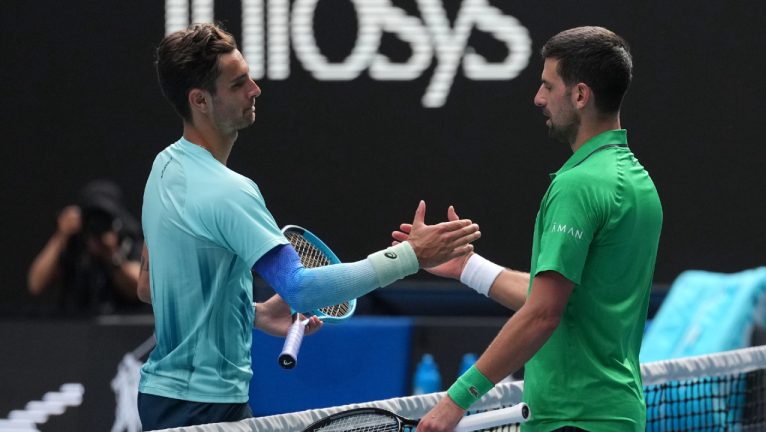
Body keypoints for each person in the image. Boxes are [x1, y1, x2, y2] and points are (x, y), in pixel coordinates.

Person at [137, 22, 481, 430]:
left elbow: (148, 285)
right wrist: (410, 256)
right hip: (203, 410)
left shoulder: (164, 167)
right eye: (237, 84)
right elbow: (300, 289)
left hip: (164, 398)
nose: (255, 89)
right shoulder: (229, 192)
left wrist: (254, 312)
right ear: (200, 100)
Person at [394, 27, 663, 431]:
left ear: (579, 95)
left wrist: (454, 401)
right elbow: (562, 301)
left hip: (571, 419)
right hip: (615, 415)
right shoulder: (639, 182)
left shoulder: (578, 185)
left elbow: (543, 314)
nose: (538, 98)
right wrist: (468, 268)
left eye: (547, 85)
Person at [27, 180, 145, 316]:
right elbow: (35, 285)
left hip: (123, 329)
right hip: (75, 329)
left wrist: (111, 256)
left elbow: (141, 288)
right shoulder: (74, 243)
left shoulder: (129, 240)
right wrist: (60, 236)